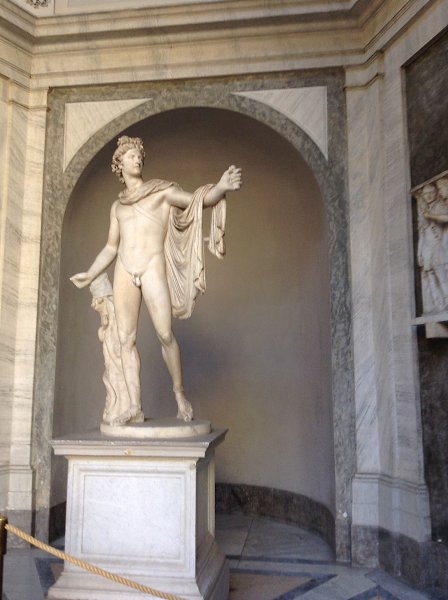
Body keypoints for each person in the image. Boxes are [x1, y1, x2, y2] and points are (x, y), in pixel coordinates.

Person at [71, 136, 242, 423]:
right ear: (119, 164)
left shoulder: (161, 192)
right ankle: (134, 407)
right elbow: (111, 247)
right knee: (125, 339)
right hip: (124, 268)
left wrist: (221, 187)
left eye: (139, 155)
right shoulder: (117, 207)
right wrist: (90, 273)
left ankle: (179, 394)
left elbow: (197, 201)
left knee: (164, 334)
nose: (137, 159)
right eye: (131, 156)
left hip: (152, 265)